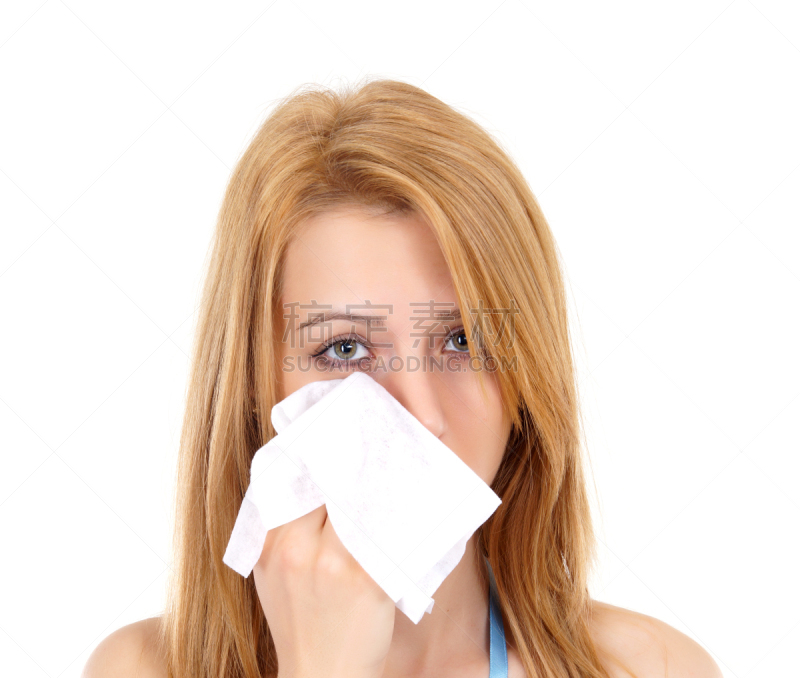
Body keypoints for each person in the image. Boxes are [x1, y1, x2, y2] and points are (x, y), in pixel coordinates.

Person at [83, 78, 723, 678]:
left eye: (463, 340)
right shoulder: (138, 668)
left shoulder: (651, 668)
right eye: (345, 349)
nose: (422, 415)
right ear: (255, 387)